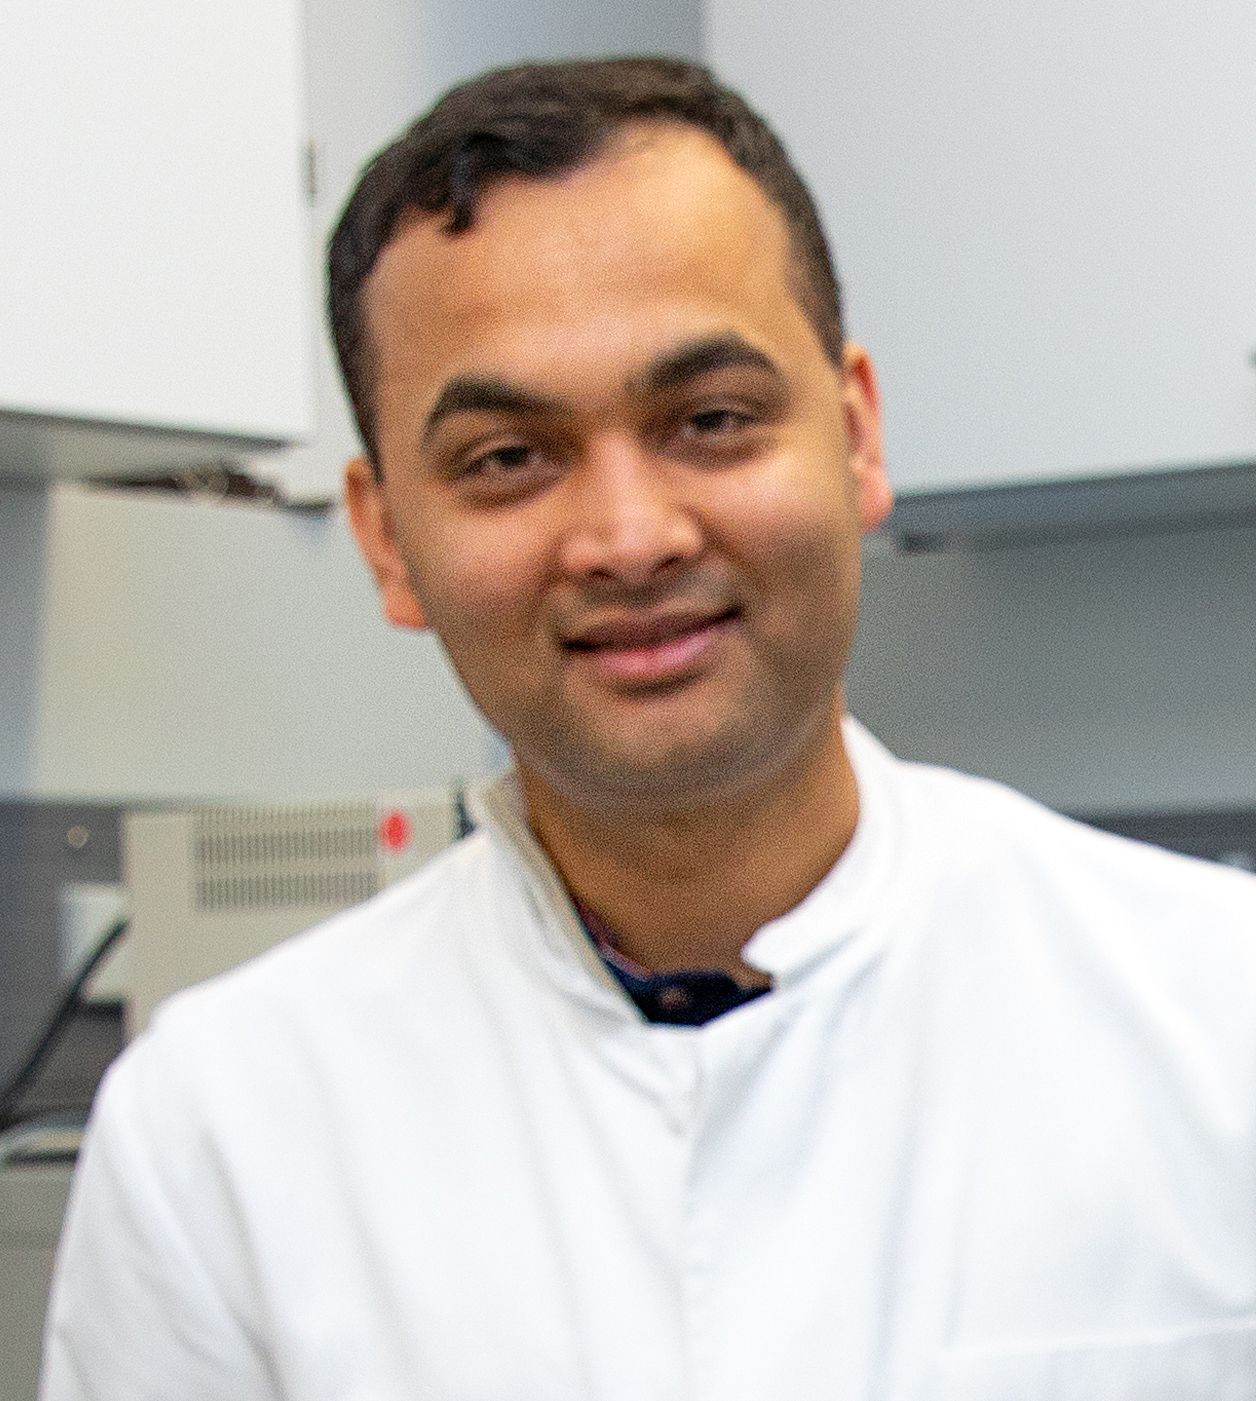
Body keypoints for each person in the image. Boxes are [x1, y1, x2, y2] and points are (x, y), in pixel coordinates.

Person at [41, 58, 1256, 1400]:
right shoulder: (221, 1132)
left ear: (854, 438)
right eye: (508, 456)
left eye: (712, 420)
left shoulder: (1217, 1021)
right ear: (387, 536)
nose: (628, 537)